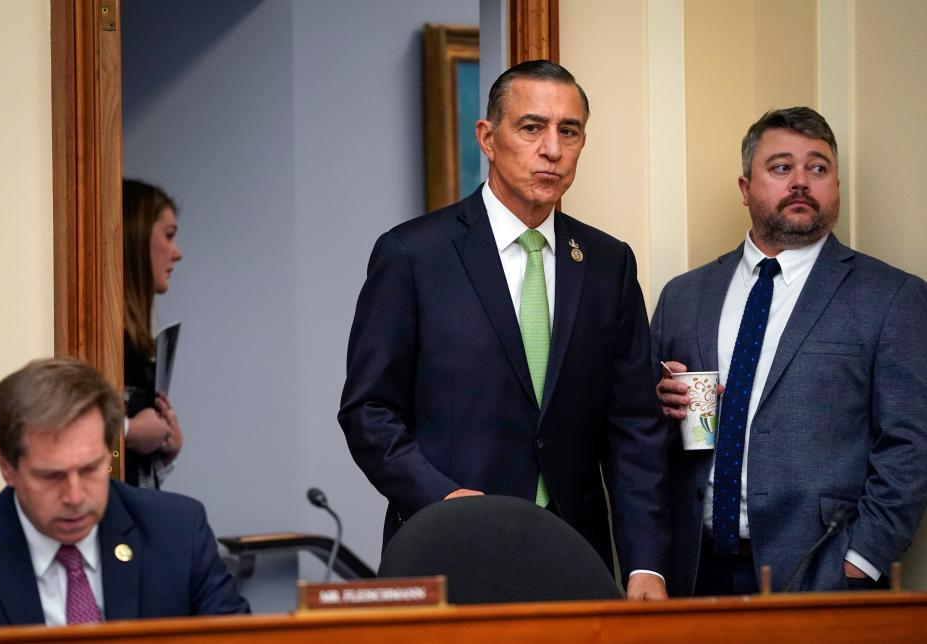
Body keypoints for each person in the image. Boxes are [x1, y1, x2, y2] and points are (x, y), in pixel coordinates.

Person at [339, 60, 669, 600]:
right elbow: (368, 411)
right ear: (488, 138)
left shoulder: (609, 263)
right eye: (531, 127)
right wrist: (441, 501)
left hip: (572, 557)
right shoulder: (413, 254)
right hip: (445, 548)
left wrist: (646, 563)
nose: (552, 149)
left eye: (570, 131)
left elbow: (634, 426)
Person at [652, 107, 927, 596]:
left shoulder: (891, 296)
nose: (801, 182)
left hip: (823, 572)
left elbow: (911, 443)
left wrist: (860, 560)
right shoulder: (684, 295)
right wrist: (658, 405)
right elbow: (642, 435)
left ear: (836, 187)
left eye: (817, 169)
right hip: (693, 570)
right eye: (781, 168)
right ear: (745, 188)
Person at [0, 357, 249, 627]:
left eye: (91, 469)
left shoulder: (178, 532)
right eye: (51, 476)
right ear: (6, 466)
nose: (75, 498)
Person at [122, 178, 184, 488]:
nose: (177, 253)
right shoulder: (101, 341)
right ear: (136, 237)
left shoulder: (137, 339)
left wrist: (163, 449)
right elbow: (60, 432)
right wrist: (128, 432)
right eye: (169, 236)